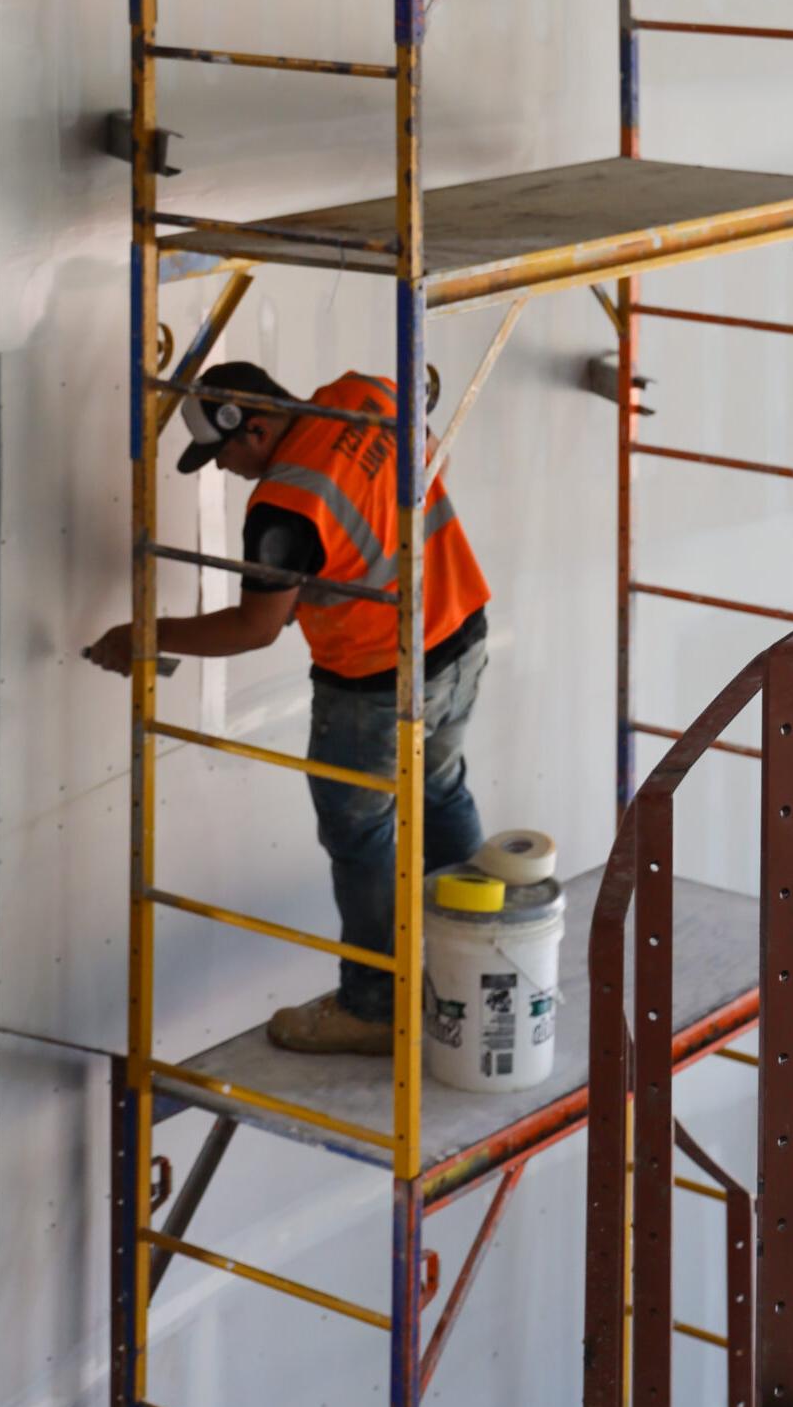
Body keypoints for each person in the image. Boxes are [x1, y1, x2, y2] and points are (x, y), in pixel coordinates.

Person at [86, 359, 490, 1057]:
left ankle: (372, 1007)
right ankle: (477, 963)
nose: (226, 472)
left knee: (362, 840)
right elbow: (415, 425)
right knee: (439, 791)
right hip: (459, 637)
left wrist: (141, 639)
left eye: (226, 455)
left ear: (257, 425)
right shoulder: (363, 394)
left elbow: (255, 627)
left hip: (375, 683)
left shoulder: (284, 505)